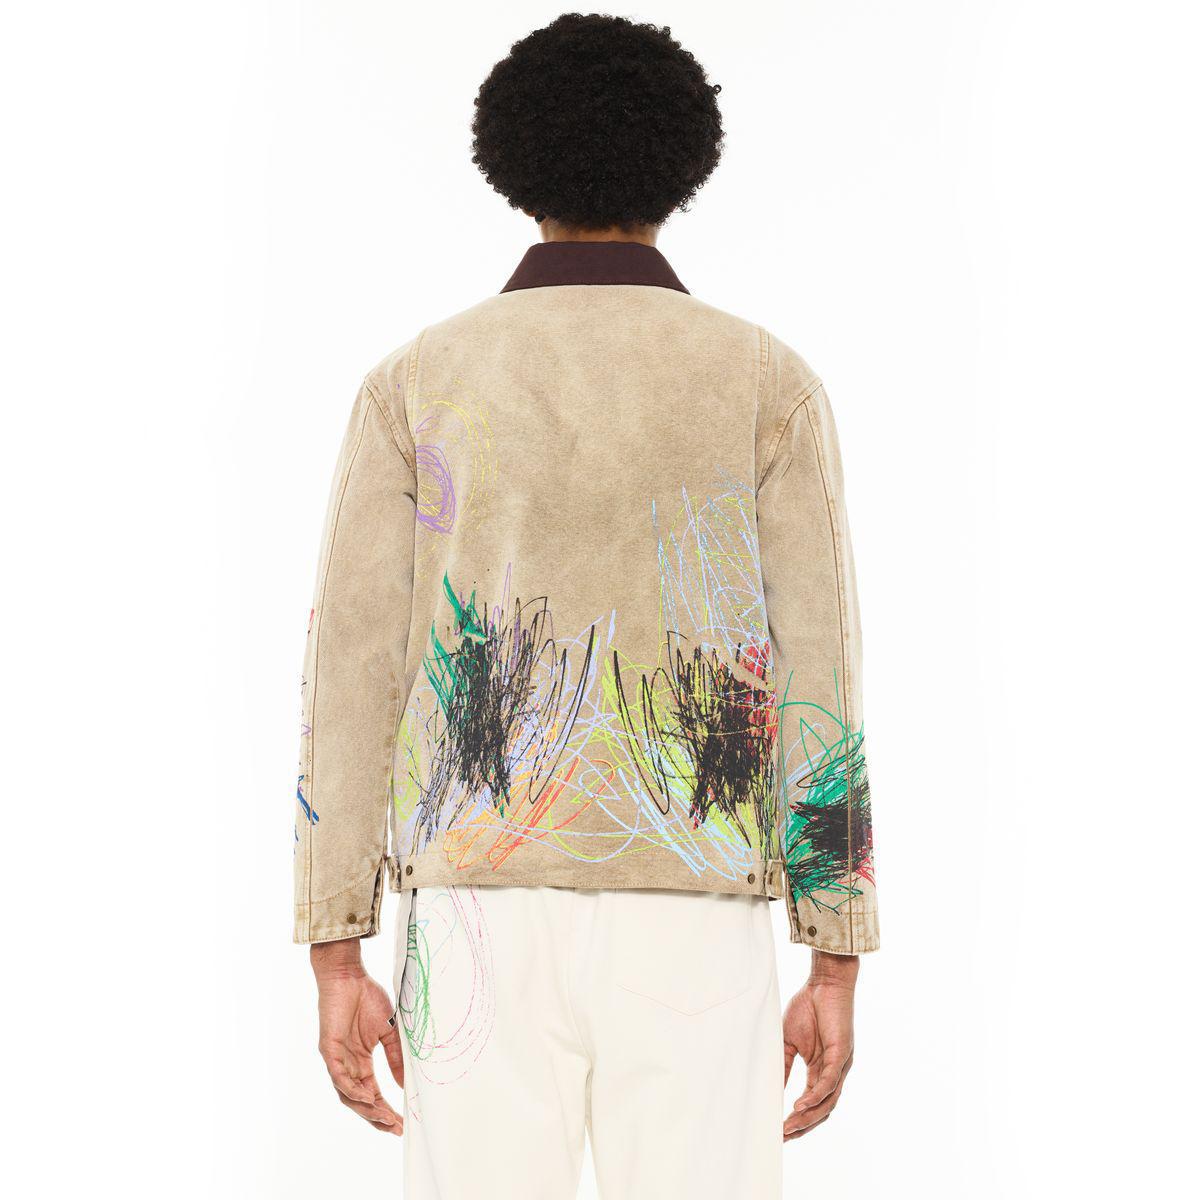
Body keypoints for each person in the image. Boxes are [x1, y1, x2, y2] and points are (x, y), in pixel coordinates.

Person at [294, 13, 879, 1199]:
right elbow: (820, 671)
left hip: (474, 906)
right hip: (696, 901)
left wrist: (336, 943)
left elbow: (352, 672)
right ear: (684, 167)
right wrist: (834, 951)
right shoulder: (765, 382)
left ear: (515, 172)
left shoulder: (418, 382)